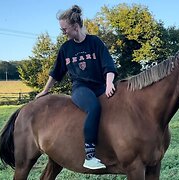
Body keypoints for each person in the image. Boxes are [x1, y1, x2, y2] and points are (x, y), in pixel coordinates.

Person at [35, 4, 117, 170]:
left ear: (75, 26)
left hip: (100, 86)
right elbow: (56, 73)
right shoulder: (66, 49)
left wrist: (109, 84)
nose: (63, 32)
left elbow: (109, 66)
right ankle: (90, 156)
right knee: (93, 108)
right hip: (81, 88)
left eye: (64, 29)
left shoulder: (95, 42)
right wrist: (45, 90)